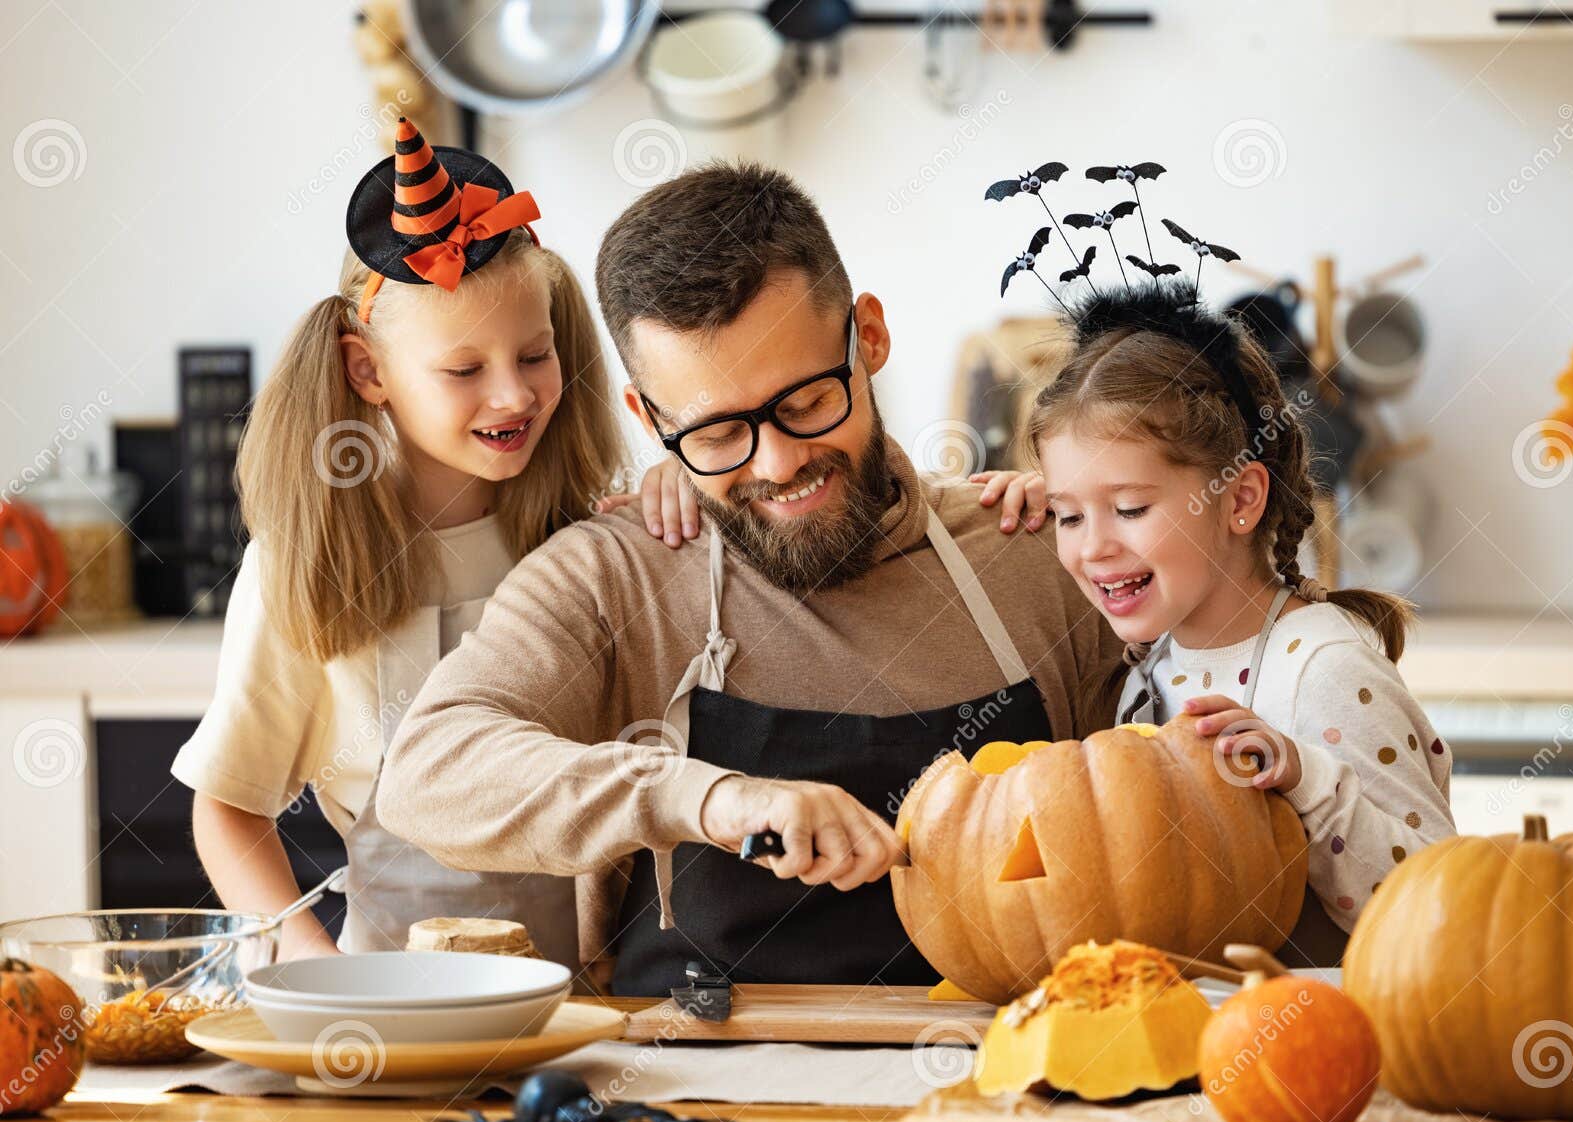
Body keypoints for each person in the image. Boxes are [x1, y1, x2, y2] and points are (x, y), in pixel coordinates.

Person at [375, 161, 1126, 996]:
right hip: (696, 1100)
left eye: (805, 403)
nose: (778, 463)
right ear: (650, 420)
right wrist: (706, 800)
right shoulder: (615, 577)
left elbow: (1150, 813)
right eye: (719, 432)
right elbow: (428, 775)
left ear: (867, 337)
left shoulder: (1034, 556)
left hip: (996, 1086)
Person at [175, 119, 640, 966]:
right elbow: (229, 806)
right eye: (464, 371)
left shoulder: (589, 535)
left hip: (590, 996)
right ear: (369, 372)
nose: (513, 396)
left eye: (535, 355)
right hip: (388, 1000)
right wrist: (309, 964)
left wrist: (687, 490)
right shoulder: (307, 567)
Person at [1024, 270, 1453, 959]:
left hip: (1324, 1046)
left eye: (1131, 508)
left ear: (1240, 499)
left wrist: (1305, 778)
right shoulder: (1147, 676)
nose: (1093, 546)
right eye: (1066, 514)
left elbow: (1445, 910)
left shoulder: (1322, 670)